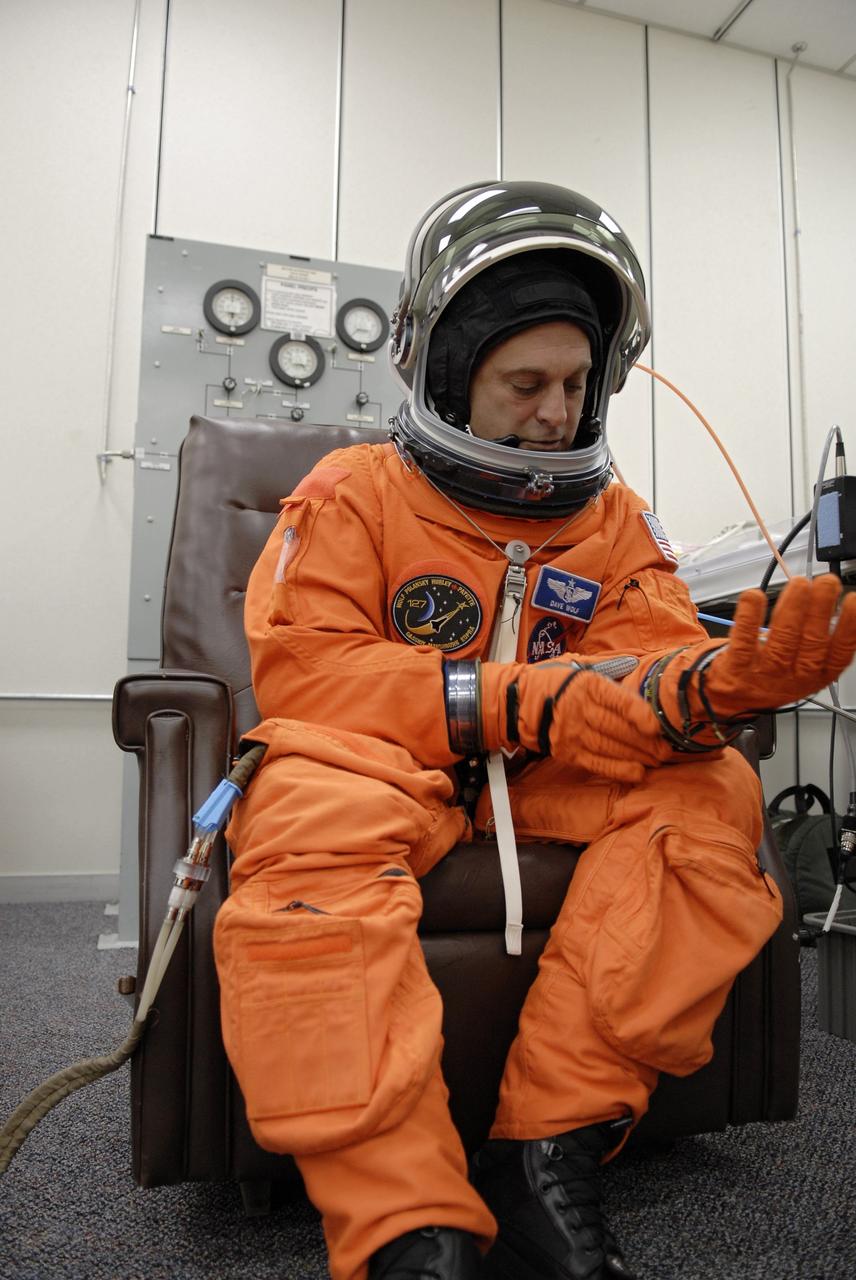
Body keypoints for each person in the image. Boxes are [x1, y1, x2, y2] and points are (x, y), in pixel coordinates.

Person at [212, 181, 856, 1280]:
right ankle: (406, 1223)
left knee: (710, 798)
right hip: (383, 763)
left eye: (575, 382)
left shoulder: (610, 520)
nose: (557, 413)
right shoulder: (354, 493)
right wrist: (512, 699)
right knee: (306, 813)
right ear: (452, 371)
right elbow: (310, 670)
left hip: (551, 774)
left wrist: (711, 688)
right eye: (526, 383)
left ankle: (544, 1145)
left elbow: (644, 659)